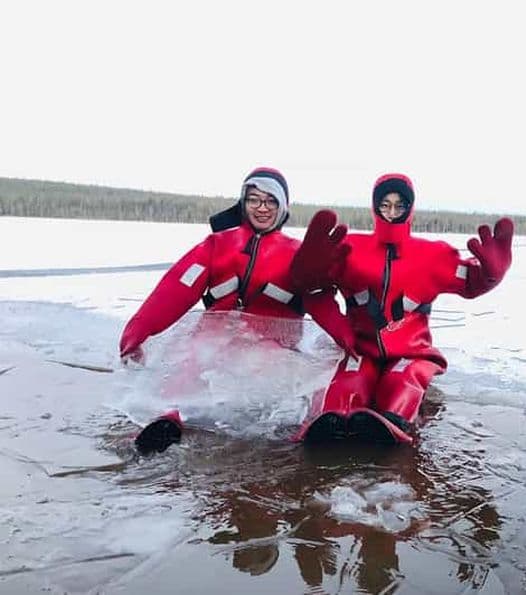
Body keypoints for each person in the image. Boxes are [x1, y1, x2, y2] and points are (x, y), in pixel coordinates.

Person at [119, 167, 353, 454]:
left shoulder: (297, 254)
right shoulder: (216, 246)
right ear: (243, 203)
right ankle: (168, 420)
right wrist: (138, 331)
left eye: (270, 201)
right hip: (213, 341)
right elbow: (176, 289)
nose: (261, 208)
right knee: (191, 364)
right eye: (254, 200)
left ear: (283, 207)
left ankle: (308, 424)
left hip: (271, 347)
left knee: (290, 379)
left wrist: (347, 338)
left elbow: (321, 303)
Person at [291, 173, 514, 443]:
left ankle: (395, 423)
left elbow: (471, 282)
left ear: (410, 209)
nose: (392, 212)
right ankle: (329, 422)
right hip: (360, 348)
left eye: (399, 205)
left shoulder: (434, 255)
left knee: (403, 382)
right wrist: (335, 323)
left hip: (411, 352)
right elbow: (315, 290)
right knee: (348, 381)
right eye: (385, 205)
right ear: (375, 208)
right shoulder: (349, 249)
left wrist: (491, 274)